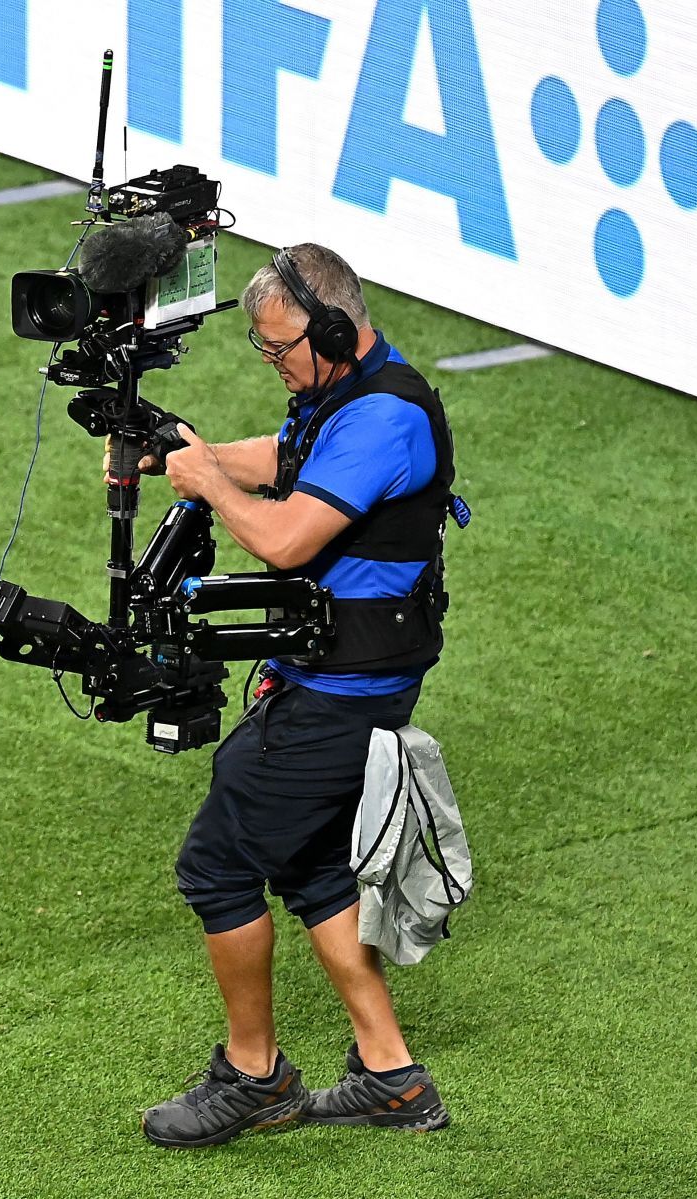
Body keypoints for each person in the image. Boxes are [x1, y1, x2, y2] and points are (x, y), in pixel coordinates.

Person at [136, 243, 458, 1146]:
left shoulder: (384, 420)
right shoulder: (350, 396)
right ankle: (391, 1077)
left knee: (218, 865)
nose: (271, 362)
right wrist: (194, 456)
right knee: (314, 865)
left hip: (342, 694)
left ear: (332, 329)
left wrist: (208, 486)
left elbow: (283, 540)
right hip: (344, 676)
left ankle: (254, 1078)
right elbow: (284, 455)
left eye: (278, 347)